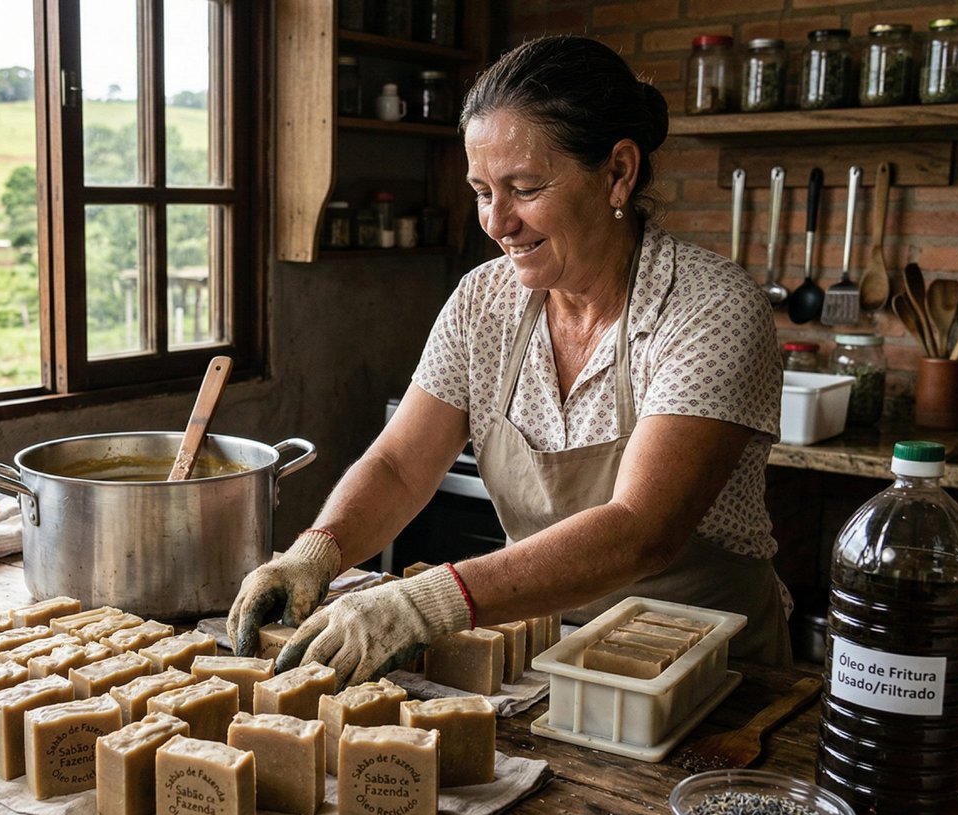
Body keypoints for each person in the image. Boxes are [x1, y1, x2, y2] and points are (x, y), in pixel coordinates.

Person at [228, 35, 790, 688]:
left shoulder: (710, 308)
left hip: (710, 677)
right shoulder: (483, 301)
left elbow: (643, 530)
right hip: (552, 663)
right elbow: (399, 465)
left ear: (618, 172)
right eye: (480, 191)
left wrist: (424, 601)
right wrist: (314, 552)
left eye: (524, 188)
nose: (497, 221)